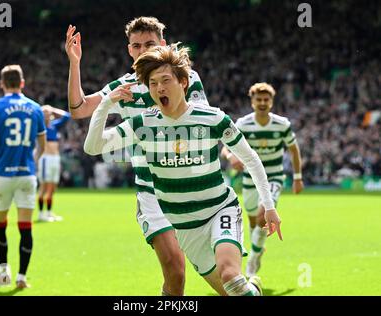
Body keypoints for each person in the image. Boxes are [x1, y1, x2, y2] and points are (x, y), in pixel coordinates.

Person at [83, 45, 283, 296]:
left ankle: (245, 284)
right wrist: (105, 104)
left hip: (219, 210)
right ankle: (253, 289)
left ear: (184, 82)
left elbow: (251, 159)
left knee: (231, 276)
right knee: (231, 291)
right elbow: (93, 147)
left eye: (166, 80)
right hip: (185, 227)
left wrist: (270, 207)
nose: (159, 88)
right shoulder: (142, 124)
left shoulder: (213, 118)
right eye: (153, 83)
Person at [66, 17, 209, 295]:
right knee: (176, 271)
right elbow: (79, 109)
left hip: (189, 187)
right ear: (129, 49)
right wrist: (74, 63)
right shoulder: (124, 87)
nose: (143, 50)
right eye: (136, 45)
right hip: (151, 191)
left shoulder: (185, 78)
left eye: (150, 44)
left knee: (214, 270)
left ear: (163, 44)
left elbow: (198, 119)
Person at [0, 65, 46, 289]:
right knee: (25, 227)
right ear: (22, 83)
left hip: (1, 175)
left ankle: (3, 273)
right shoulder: (35, 109)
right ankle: (22, 278)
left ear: (1, 83)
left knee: (0, 225)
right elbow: (42, 145)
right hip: (26, 174)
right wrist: (30, 163)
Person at [221, 82, 303, 277]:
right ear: (252, 102)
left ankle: (253, 259)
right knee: (252, 222)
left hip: (274, 177)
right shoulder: (243, 124)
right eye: (259, 99)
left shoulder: (282, 124)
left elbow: (294, 149)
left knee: (261, 217)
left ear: (272, 102)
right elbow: (226, 146)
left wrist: (298, 177)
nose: (263, 103)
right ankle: (259, 249)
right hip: (250, 179)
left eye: (266, 99)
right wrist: (230, 156)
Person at [37, 105, 71, 222]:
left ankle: (49, 212)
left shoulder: (54, 126)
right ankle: (41, 213)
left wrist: (53, 109)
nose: (46, 115)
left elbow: (67, 116)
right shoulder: (39, 126)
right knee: (44, 186)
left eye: (48, 113)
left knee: (52, 187)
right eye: (44, 113)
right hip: (45, 158)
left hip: (55, 158)